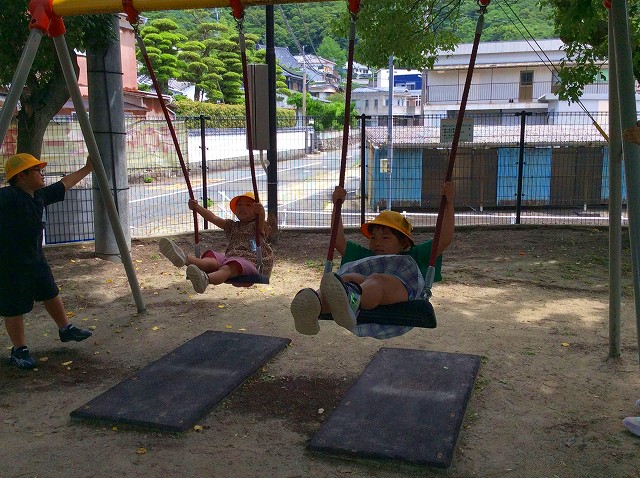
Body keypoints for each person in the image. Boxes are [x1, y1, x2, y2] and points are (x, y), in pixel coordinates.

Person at [291, 182, 455, 339]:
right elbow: (338, 240)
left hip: (400, 297)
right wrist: (336, 206)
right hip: (358, 303)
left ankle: (351, 299)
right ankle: (314, 303)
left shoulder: (415, 255)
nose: (377, 242)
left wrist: (449, 203)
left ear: (404, 243)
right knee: (346, 278)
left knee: (377, 279)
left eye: (385, 237)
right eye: (373, 237)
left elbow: (444, 238)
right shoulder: (366, 256)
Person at [1, 153, 94, 370]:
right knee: (14, 307)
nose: (42, 174)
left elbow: (65, 184)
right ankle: (19, 350)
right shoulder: (8, 197)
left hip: (35, 258)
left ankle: (65, 329)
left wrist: (87, 169)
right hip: (10, 265)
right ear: (21, 176)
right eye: (37, 171)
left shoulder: (39, 195)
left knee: (50, 292)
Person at [159, 192, 274, 293]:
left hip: (251, 262)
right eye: (239, 204)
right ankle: (183, 258)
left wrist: (261, 212)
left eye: (248, 205)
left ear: (256, 210)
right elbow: (213, 218)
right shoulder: (232, 226)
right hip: (230, 257)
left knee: (228, 268)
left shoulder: (259, 226)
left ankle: (205, 279)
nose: (242, 207)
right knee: (211, 261)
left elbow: (261, 221)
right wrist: (197, 207)